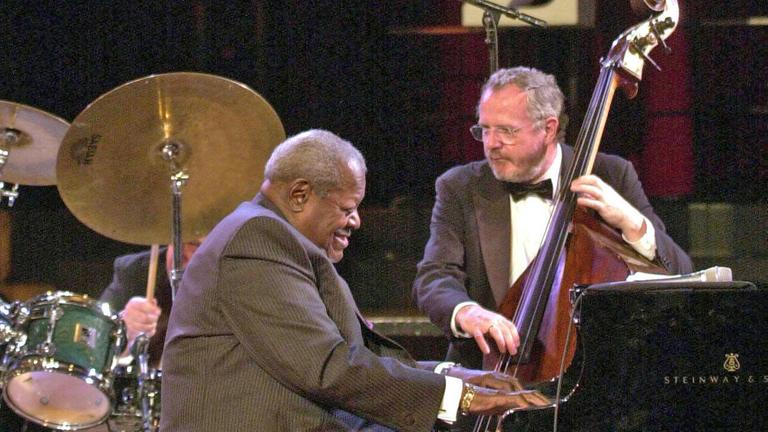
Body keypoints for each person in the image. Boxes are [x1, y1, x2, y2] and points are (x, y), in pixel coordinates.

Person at [160, 129, 548, 432]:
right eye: (347, 208)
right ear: (299, 195)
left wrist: (453, 374)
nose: (356, 221)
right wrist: (460, 398)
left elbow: (362, 354)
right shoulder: (258, 239)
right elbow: (327, 367)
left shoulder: (280, 241)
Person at [412, 66, 694, 370]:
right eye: (484, 129)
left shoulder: (611, 174)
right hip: (489, 375)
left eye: (506, 130)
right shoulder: (460, 187)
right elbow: (435, 275)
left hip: (591, 374)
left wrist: (632, 224)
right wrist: (466, 311)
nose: (491, 143)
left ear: (548, 128)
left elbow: (680, 272)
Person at [100, 240, 203, 367]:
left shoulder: (231, 282)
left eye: (199, 254)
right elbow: (92, 348)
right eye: (181, 257)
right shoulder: (134, 271)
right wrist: (123, 332)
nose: (183, 269)